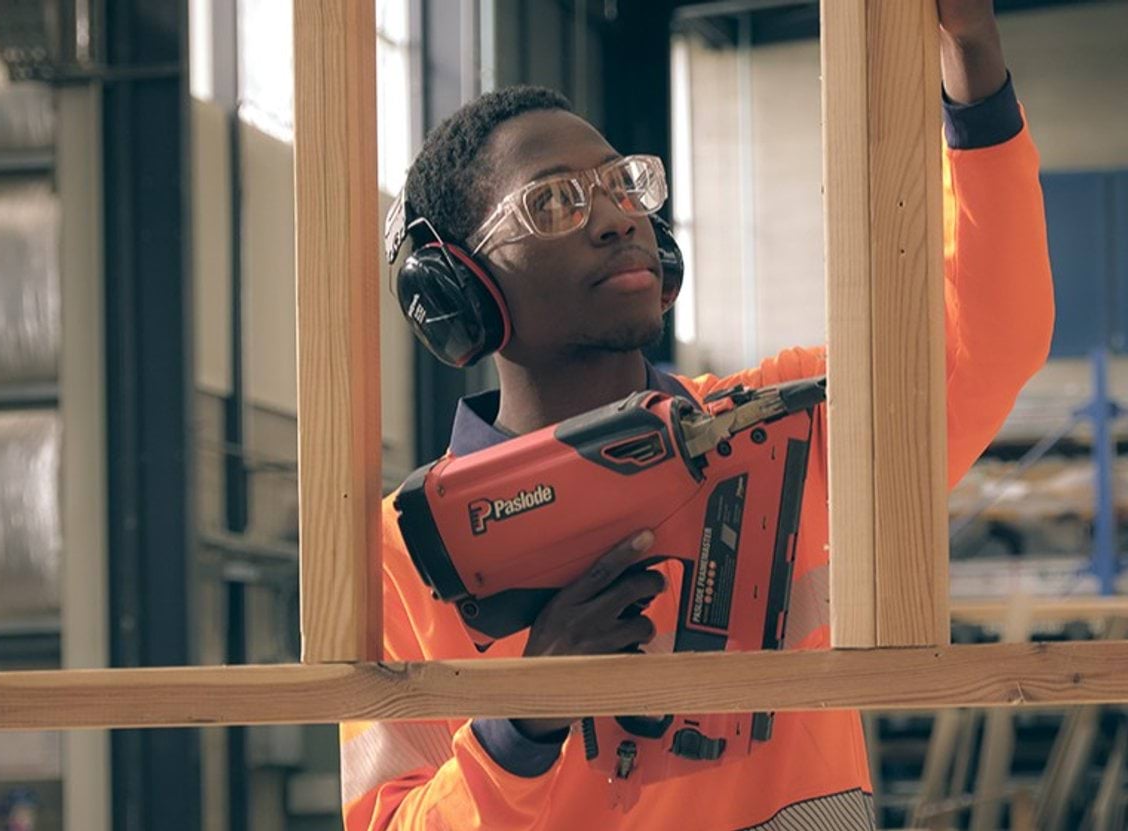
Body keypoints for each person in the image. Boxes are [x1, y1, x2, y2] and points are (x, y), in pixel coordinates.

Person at [341, 1, 1052, 827]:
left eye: (623, 185)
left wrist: (971, 54)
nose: (617, 217)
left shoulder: (776, 429)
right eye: (555, 202)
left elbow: (984, 342)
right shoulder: (407, 554)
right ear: (460, 289)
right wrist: (521, 722)